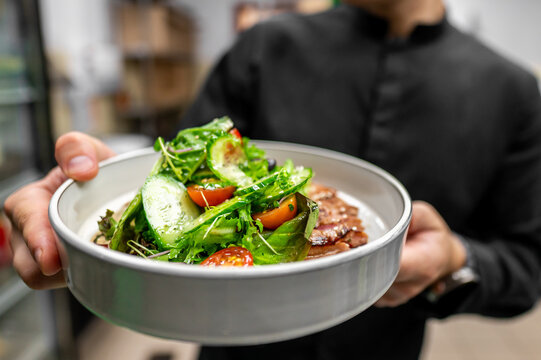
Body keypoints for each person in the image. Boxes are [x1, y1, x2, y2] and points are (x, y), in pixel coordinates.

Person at [4, 0, 541, 358]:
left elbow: (527, 265)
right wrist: (92, 195)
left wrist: (455, 261)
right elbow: (176, 179)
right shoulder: (261, 49)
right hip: (228, 347)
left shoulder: (514, 92)